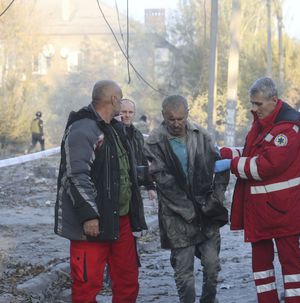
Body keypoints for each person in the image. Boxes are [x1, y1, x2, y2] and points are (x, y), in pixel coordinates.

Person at [217, 77, 300, 303]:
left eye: (258, 104)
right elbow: (252, 151)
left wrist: (230, 165)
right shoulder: (264, 123)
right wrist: (223, 153)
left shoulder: (288, 129)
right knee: (261, 265)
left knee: (291, 265)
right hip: (262, 211)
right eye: (252, 103)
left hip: (285, 211)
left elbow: (266, 165)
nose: (254, 108)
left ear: (274, 100)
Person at [54, 80, 147, 302]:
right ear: (113, 99)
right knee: (87, 285)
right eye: (120, 97)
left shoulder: (115, 129)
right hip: (91, 226)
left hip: (121, 220)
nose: (122, 103)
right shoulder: (82, 129)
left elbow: (123, 171)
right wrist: (89, 215)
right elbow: (75, 175)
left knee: (128, 280)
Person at [143, 95, 229, 303]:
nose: (176, 123)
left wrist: (216, 198)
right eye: (171, 119)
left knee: (211, 266)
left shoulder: (201, 136)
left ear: (187, 114)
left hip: (206, 212)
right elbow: (163, 182)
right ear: (164, 116)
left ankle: (209, 300)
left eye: (180, 118)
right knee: (184, 273)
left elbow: (223, 166)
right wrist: (189, 210)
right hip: (176, 217)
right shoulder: (154, 142)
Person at [120, 99, 157, 201]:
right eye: (123, 112)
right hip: (118, 189)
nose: (127, 115)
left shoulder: (138, 135)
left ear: (134, 114)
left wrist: (150, 186)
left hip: (135, 188)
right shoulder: (112, 133)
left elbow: (143, 161)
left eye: (130, 112)